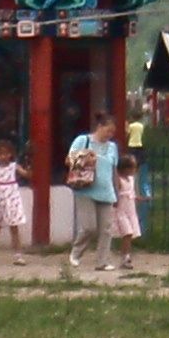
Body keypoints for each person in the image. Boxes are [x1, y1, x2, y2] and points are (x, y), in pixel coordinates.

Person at [63, 115, 120, 276]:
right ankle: (76, 252)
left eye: (112, 132)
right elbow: (68, 160)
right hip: (85, 189)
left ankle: (102, 261)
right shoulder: (83, 140)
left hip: (106, 190)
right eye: (108, 130)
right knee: (89, 226)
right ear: (99, 127)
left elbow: (114, 169)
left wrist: (117, 191)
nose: (110, 135)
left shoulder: (112, 147)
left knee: (106, 229)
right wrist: (85, 156)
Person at [109, 137, 143, 270]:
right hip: (121, 212)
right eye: (133, 167)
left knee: (129, 234)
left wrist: (140, 198)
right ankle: (125, 257)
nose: (135, 169)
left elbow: (132, 193)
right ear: (126, 168)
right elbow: (117, 192)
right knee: (127, 233)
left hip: (130, 211)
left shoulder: (131, 179)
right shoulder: (119, 180)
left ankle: (126, 255)